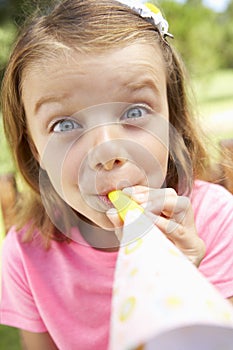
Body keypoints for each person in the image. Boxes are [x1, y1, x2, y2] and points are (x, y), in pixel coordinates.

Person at [0, 0, 233, 349]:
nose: (107, 153)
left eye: (135, 111)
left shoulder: (216, 219)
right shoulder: (25, 254)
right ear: (35, 149)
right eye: (65, 124)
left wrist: (185, 276)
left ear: (173, 121)